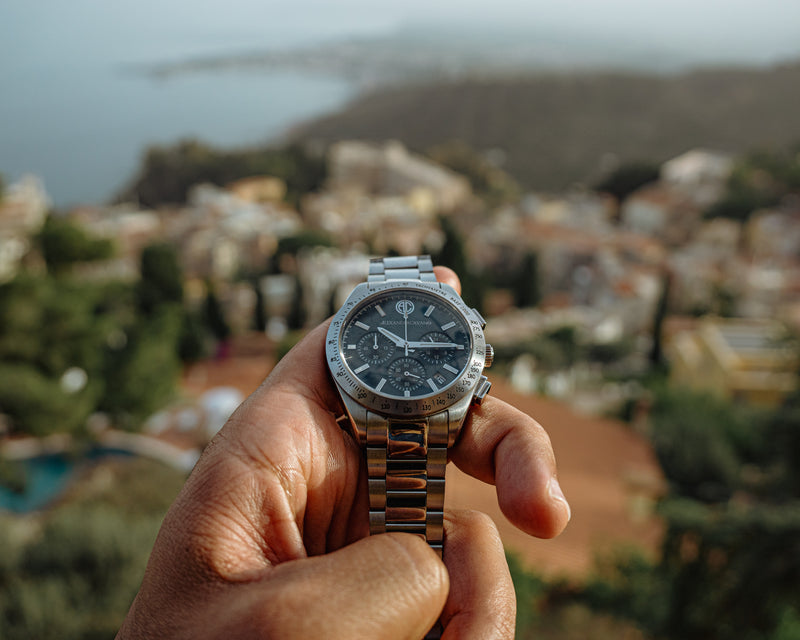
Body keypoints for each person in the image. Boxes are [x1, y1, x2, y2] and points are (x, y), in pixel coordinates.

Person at [116, 267, 571, 640]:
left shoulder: (362, 337)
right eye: (392, 345)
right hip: (388, 410)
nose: (407, 350)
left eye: (421, 347)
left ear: (479, 358)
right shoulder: (343, 360)